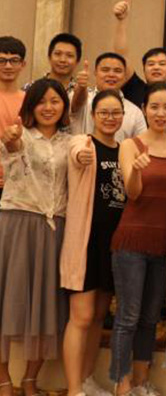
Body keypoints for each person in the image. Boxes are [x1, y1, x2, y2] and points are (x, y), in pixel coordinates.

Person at [109, 83, 166, 396]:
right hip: (132, 241)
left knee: (151, 317)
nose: (161, 113)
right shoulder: (131, 145)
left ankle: (141, 381)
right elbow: (133, 193)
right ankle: (121, 382)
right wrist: (137, 171)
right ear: (144, 109)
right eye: (154, 107)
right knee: (128, 316)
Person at [0, 79, 71, 396]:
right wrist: (11, 142)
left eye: (55, 100)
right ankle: (4, 380)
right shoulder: (20, 135)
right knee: (6, 302)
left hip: (55, 230)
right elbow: (11, 153)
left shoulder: (72, 142)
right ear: (31, 106)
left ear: (64, 106)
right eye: (41, 101)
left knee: (46, 307)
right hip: (17, 224)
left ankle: (30, 379)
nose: (48, 107)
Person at [61, 90, 128, 396]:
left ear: (123, 116)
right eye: (104, 113)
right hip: (85, 244)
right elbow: (76, 154)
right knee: (82, 317)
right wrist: (82, 156)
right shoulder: (83, 143)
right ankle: (74, 389)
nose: (110, 118)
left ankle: (87, 379)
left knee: (100, 316)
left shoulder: (125, 150)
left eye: (116, 113)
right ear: (93, 115)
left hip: (114, 246)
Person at [111, 0, 166, 111]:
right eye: (151, 64)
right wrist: (121, 21)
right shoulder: (134, 89)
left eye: (162, 64)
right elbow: (121, 57)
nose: (156, 67)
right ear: (143, 70)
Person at [69, 53, 147, 143]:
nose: (111, 75)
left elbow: (142, 145)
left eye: (117, 71)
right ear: (95, 72)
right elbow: (77, 103)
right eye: (105, 70)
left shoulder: (135, 112)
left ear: (125, 76)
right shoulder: (83, 98)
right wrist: (81, 88)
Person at [0, 36, 27, 196]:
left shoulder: (30, 101)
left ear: (23, 64)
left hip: (20, 183)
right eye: (2, 61)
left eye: (14, 60)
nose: (8, 66)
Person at [22, 32, 84, 98]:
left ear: (77, 61)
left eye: (69, 55)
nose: (62, 60)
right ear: (49, 57)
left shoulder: (86, 94)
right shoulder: (30, 89)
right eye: (58, 54)